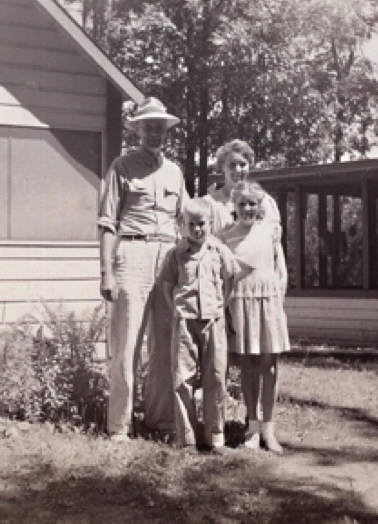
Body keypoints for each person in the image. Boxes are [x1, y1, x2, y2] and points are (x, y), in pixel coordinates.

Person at [98, 97, 188, 442]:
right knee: (127, 343)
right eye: (148, 126)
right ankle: (119, 426)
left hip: (167, 256)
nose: (155, 133)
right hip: (131, 252)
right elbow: (107, 223)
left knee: (165, 343)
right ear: (137, 129)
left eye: (160, 127)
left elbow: (186, 221)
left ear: (167, 131)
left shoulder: (175, 172)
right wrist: (106, 271)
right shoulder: (122, 166)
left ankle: (160, 421)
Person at [159, 198, 240, 451]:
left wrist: (220, 307)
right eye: (191, 224)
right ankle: (188, 439)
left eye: (201, 224)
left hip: (213, 321)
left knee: (215, 377)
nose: (197, 229)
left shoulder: (220, 252)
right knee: (183, 379)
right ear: (183, 225)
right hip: (185, 322)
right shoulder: (176, 254)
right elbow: (167, 287)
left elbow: (231, 282)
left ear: (210, 224)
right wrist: (178, 311)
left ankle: (215, 436)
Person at [220, 181, 290, 454]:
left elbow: (280, 268)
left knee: (269, 365)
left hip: (268, 299)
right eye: (242, 204)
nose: (248, 209)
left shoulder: (270, 231)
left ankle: (269, 429)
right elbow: (225, 275)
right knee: (248, 365)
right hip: (241, 301)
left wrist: (279, 295)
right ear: (234, 207)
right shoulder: (226, 236)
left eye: (253, 204)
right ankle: (252, 427)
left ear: (260, 206)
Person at [205, 139, 280, 235]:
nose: (237, 170)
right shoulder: (210, 204)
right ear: (223, 166)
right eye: (232, 165)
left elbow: (274, 241)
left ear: (249, 166)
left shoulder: (264, 202)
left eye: (242, 164)